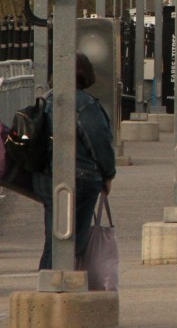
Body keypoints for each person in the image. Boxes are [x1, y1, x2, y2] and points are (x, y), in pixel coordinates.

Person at [33, 52, 116, 269]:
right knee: (73, 239)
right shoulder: (85, 105)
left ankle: (48, 278)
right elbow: (99, 142)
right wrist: (108, 174)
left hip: (46, 177)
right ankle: (61, 278)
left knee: (55, 236)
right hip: (81, 178)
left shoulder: (48, 100)